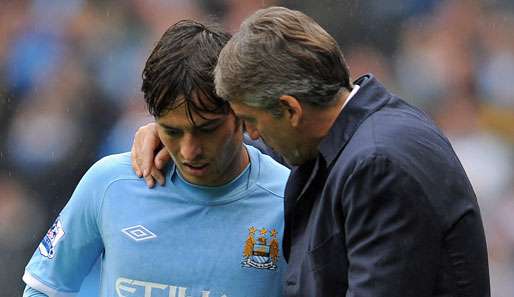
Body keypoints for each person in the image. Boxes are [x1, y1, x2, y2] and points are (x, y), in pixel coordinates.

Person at [132, 7, 491, 297]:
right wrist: (178, 134)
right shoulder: (367, 131)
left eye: (250, 120)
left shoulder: (379, 166)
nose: (250, 134)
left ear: (290, 110)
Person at [22, 20, 289, 297]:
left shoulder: (289, 200)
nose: (189, 151)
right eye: (172, 131)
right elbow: (44, 289)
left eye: (207, 129)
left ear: (239, 112)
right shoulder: (110, 183)